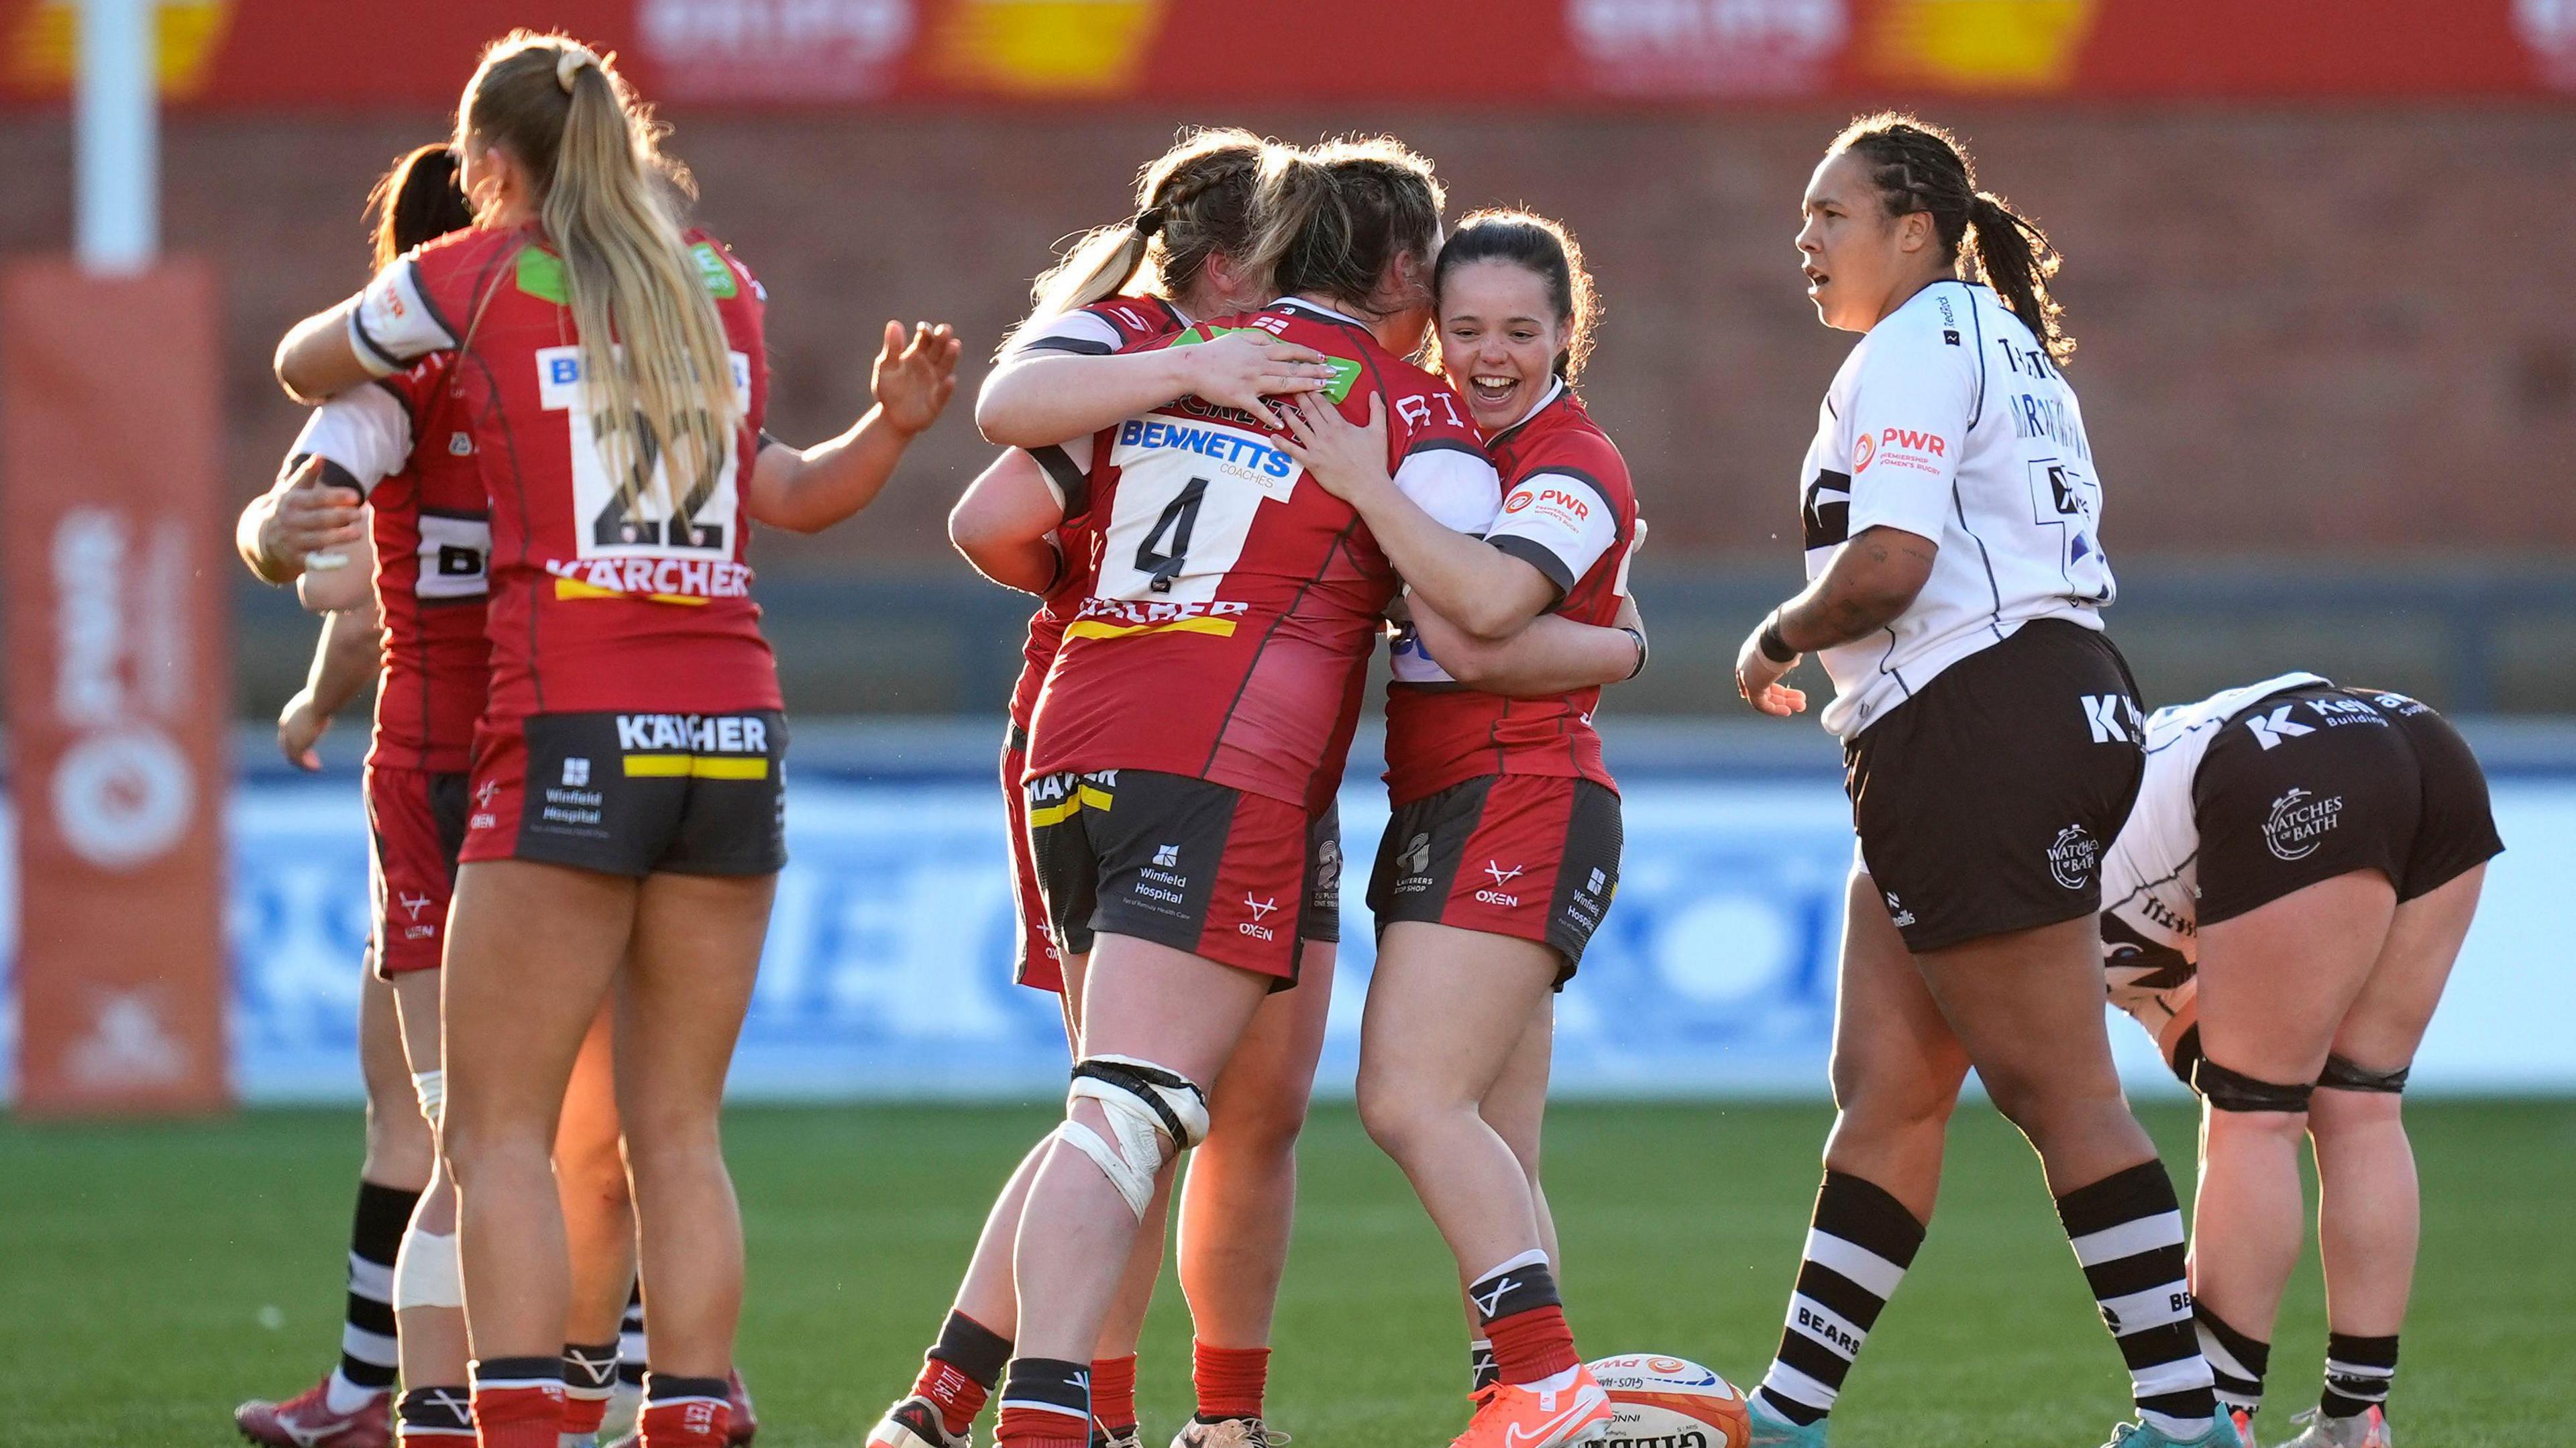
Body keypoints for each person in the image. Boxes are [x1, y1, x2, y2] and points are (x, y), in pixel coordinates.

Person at [268, 32, 957, 1448]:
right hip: (732, 729)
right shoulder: (724, 290)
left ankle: (509, 1418)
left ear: (486, 168)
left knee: (497, 1131)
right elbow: (788, 492)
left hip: (570, 723)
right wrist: (886, 433)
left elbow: (298, 359)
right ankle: (688, 1414)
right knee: (674, 1134)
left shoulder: (474, 273)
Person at [983, 136, 1499, 1448]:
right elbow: (1474, 614)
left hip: (1078, 735)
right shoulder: (1402, 405)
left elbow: (991, 517)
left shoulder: (1180, 351)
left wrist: (1132, 607)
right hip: (1224, 760)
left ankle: (1153, 1413)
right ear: (1400, 264)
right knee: (1137, 1106)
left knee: (1164, 1104)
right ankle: (1051, 1417)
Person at [1727, 113, 2231, 1448]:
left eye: (1830, 213)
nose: (1807, 236)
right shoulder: (2003, 344)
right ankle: (1789, 1410)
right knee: (1886, 1080)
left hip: (1974, 712)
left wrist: (1778, 632)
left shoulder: (1912, 342)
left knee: (2057, 1083)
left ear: (1911, 228)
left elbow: (1890, 562)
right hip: (2039, 694)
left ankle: (2187, 1415)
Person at [875, 128, 1341, 1448]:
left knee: (1241, 1099)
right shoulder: (1126, 334)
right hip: (1133, 726)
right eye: (1282, 254)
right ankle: (1013, 1400)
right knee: (1131, 1098)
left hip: (1260, 743)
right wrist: (1121, 594)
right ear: (1221, 259)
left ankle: (1195, 1414)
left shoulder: (1289, 360)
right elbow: (988, 490)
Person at [1272, 209, 1646, 1447]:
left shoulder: (1571, 456)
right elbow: (1462, 623)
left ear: (1566, 333)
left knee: (1407, 1099)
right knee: (1499, 1140)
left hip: (1524, 791)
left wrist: (1368, 487)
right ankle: (1524, 1398)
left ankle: (1546, 1387)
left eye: (1522, 331)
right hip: (1449, 796)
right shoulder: (1447, 447)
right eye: (1467, 327)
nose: (1491, 353)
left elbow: (1481, 606)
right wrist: (1614, 641)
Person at [2096, 675, 2500, 1448]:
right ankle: (2357, 1418)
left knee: (2256, 1116)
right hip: (2423, 742)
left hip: (2294, 759)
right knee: (2360, 1103)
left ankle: (2219, 1418)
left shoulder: (2015, 916)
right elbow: (2192, 1035)